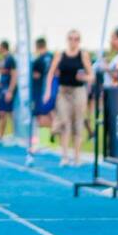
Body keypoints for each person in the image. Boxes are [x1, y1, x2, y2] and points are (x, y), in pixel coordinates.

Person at [43, 30, 93, 166]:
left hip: (78, 91)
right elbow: (51, 73)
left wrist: (84, 77)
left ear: (79, 40)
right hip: (63, 92)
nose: (73, 41)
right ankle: (64, 156)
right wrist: (48, 91)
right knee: (64, 122)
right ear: (67, 39)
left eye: (76, 39)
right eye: (71, 38)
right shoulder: (60, 54)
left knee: (78, 123)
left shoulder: (83, 54)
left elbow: (91, 76)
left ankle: (77, 157)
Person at [0, 40, 17, 141]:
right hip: (2, 88)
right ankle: (0, 135)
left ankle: (15, 134)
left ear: (3, 47)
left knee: (9, 113)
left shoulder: (10, 58)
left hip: (7, 89)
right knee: (2, 112)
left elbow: (14, 75)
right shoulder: (3, 59)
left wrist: (10, 91)